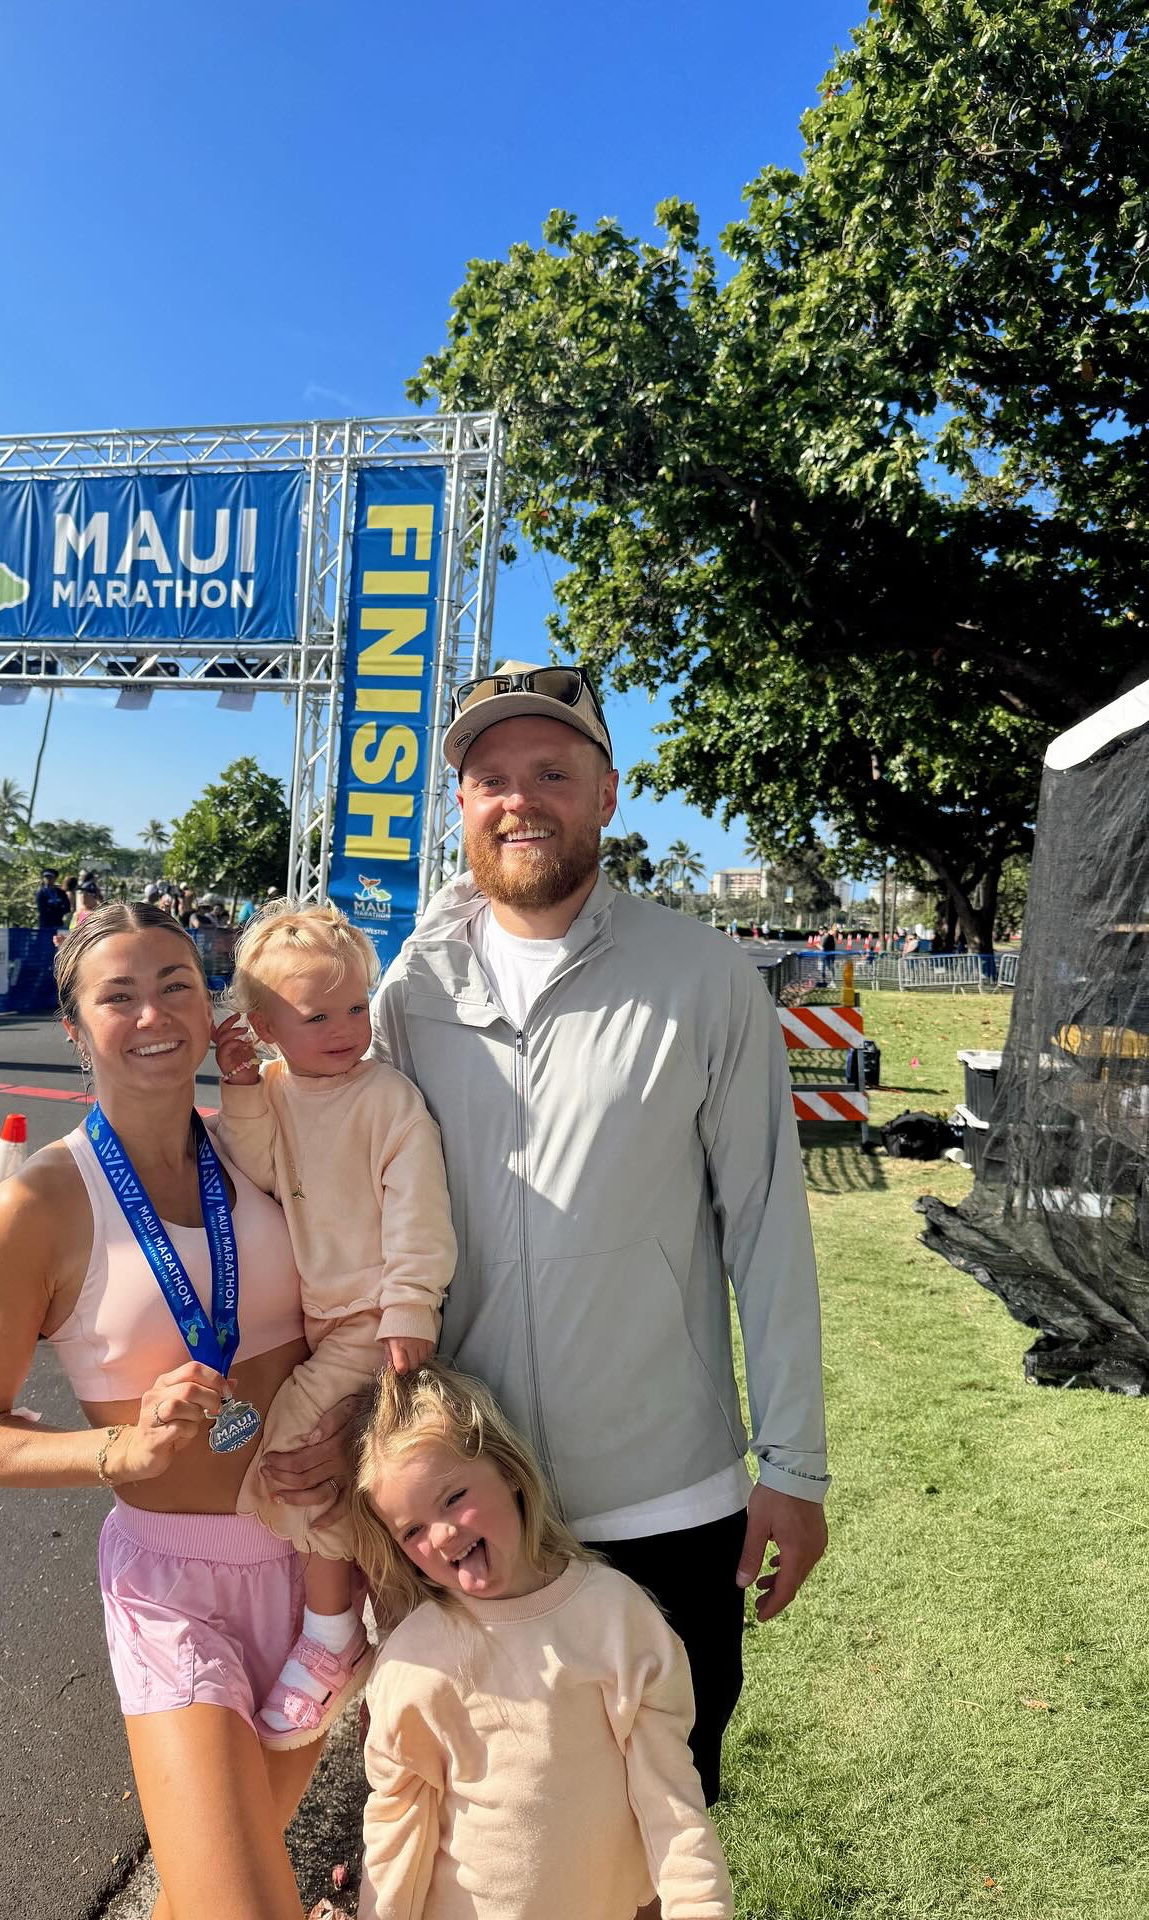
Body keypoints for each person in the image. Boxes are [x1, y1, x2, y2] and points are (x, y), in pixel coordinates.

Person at [264, 662, 829, 1807]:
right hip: (455, 1508)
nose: (521, 799)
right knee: (482, 1833)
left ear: (609, 793)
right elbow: (338, 1205)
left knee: (653, 1829)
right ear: (462, 806)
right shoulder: (410, 989)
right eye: (491, 779)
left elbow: (767, 1223)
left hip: (665, 1500)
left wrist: (798, 1463)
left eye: (552, 773)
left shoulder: (706, 977)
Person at [0, 904, 328, 1920]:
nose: (153, 1012)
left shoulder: (264, 1148)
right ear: (75, 1027)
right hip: (175, 1587)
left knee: (205, 1897)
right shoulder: (35, 1206)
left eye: (177, 984)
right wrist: (124, 1447)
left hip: (319, 1565)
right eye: (119, 995)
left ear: (211, 1008)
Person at [349, 1362, 732, 1920]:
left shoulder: (618, 1618)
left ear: (507, 1470)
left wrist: (701, 1907)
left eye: (454, 1497)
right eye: (411, 1531)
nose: (443, 1534)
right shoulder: (413, 1663)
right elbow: (396, 1832)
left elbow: (670, 1800)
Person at [211, 903, 455, 1748]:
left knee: (296, 1452)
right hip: (317, 1316)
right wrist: (240, 1088)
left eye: (358, 1006)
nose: (347, 1029)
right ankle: (383, 1617)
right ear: (266, 1027)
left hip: (367, 1319)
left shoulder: (389, 1098)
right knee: (353, 1475)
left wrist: (410, 1306)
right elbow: (261, 1169)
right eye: (318, 1017)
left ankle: (328, 1640)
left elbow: (419, 1210)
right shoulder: (276, 1090)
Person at [36, 868, 72, 933]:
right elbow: (42, 909)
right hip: (46, 925)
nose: (48, 879)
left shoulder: (61, 893)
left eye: (50, 877)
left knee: (63, 941)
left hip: (60, 923)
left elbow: (67, 907)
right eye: (46, 877)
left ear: (55, 878)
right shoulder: (41, 893)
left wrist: (61, 913)